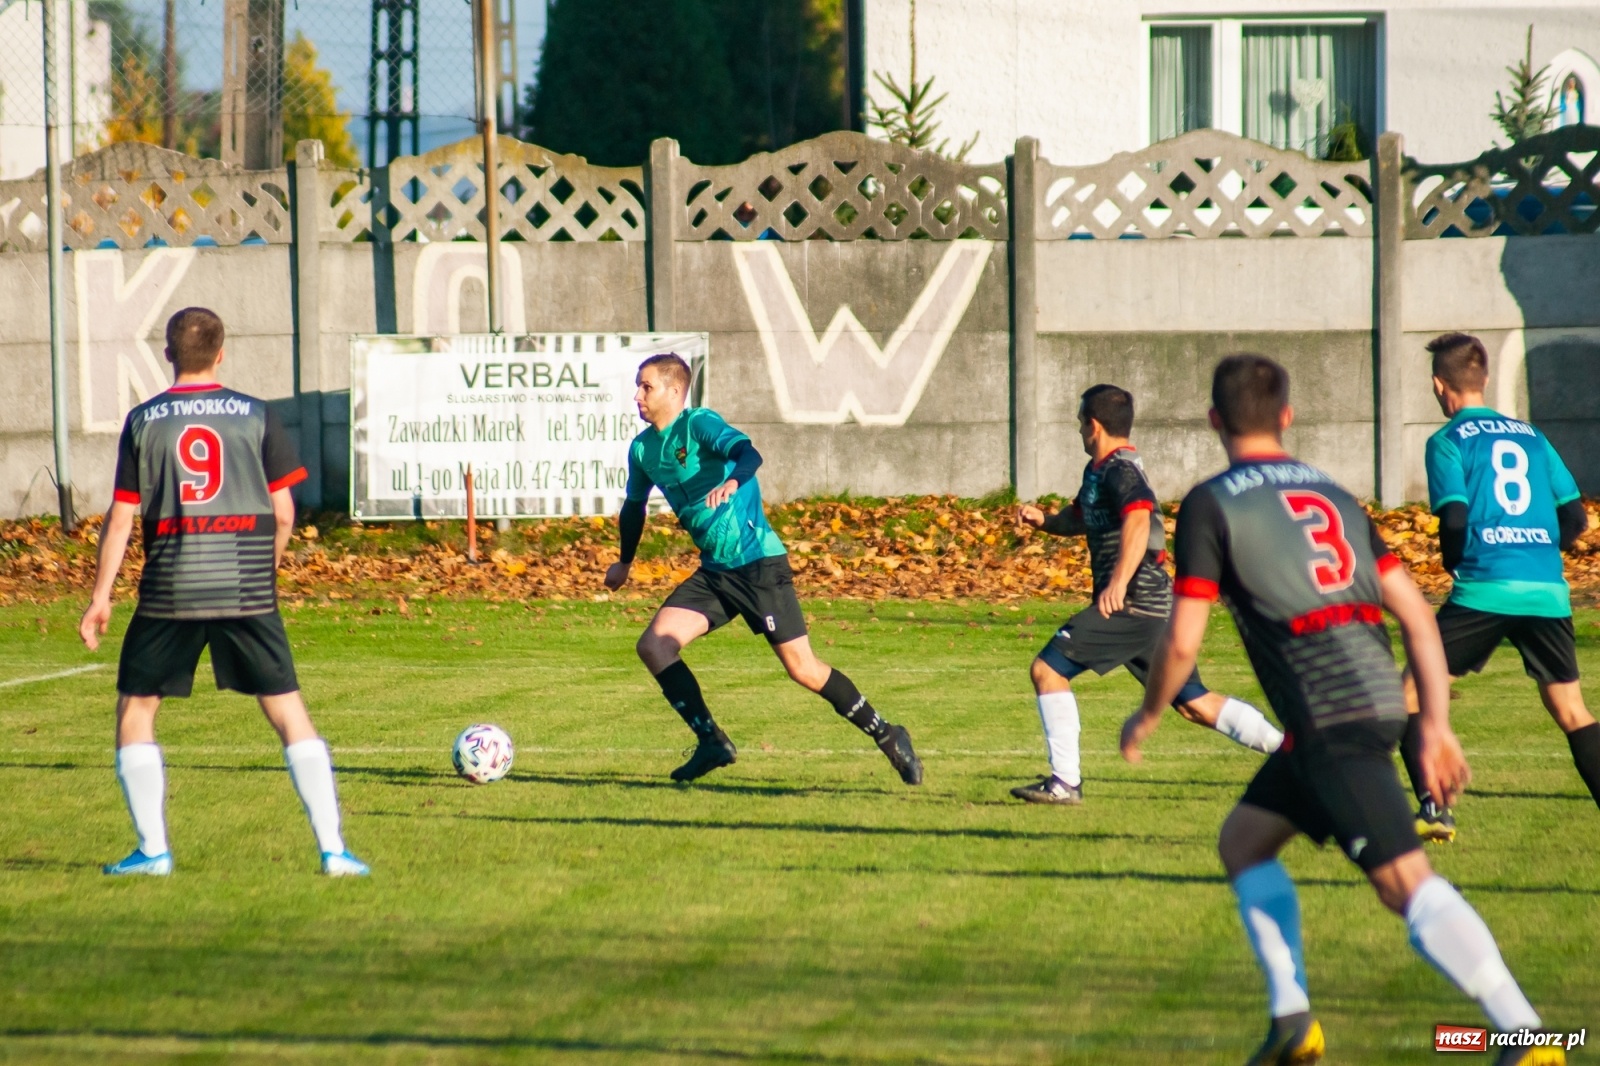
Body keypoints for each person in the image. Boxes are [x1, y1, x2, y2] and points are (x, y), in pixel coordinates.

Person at [1120, 354, 1560, 1066]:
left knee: (1404, 882)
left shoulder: (1212, 501)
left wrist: (1146, 714)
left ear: (1212, 422)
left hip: (1333, 720)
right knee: (1243, 842)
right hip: (1368, 704)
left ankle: (1524, 1033)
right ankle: (1292, 1021)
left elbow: (1182, 641)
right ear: (1287, 417)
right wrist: (1436, 726)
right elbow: (1418, 619)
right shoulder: (1334, 493)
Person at [79, 307, 367, 878]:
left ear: (168, 354)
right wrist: (265, 572)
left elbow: (120, 518)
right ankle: (333, 850)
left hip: (168, 591)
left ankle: (153, 851)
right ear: (222, 352)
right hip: (245, 589)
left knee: (137, 711)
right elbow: (284, 514)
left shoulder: (143, 421)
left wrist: (99, 596)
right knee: (289, 715)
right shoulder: (257, 416)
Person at [603, 353, 922, 785]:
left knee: (803, 669)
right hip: (716, 572)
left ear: (675, 391)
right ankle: (712, 741)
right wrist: (625, 562)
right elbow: (634, 507)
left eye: (647, 386)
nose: (638, 395)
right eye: (638, 387)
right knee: (654, 646)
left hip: (757, 565)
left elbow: (747, 452)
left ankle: (887, 734)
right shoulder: (642, 449)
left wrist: (734, 480)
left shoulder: (698, 423)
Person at [1009, 384, 1282, 805]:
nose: (1079, 430)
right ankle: (1295, 754)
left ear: (1093, 425)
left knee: (1048, 670)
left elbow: (1138, 520)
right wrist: (1043, 520)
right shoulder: (1099, 472)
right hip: (1154, 609)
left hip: (1134, 604)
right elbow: (1080, 518)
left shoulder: (1122, 470)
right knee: (1194, 704)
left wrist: (1118, 583)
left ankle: (1065, 781)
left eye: (1080, 422)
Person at [1399, 332, 1597, 843]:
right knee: (1572, 711)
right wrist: (1534, 548)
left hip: (1484, 588)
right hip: (1546, 592)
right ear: (1483, 379)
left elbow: (1456, 522)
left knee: (1410, 696)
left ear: (1441, 387)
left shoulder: (1446, 442)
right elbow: (1575, 518)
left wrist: (1458, 564)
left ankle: (1434, 808)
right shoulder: (1530, 435)